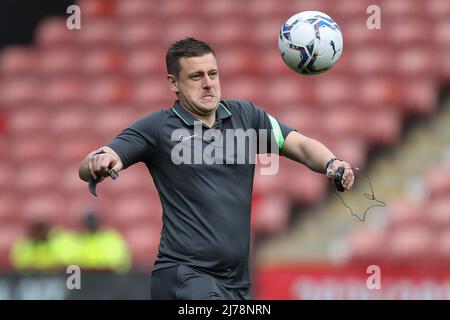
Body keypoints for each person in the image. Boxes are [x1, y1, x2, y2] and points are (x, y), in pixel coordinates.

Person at [78, 37, 355, 300]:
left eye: (213, 74)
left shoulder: (246, 118)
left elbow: (302, 145)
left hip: (236, 282)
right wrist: (98, 160)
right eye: (196, 76)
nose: (208, 84)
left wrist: (332, 163)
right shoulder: (158, 128)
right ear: (173, 83)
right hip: (185, 276)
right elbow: (100, 157)